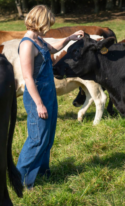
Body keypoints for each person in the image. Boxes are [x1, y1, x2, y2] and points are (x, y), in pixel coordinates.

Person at [16, 5, 84, 190]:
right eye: (47, 24)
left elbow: (53, 49)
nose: (48, 28)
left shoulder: (38, 39)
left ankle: (42, 174)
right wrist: (39, 104)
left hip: (49, 94)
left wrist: (69, 39)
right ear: (39, 21)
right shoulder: (27, 44)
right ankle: (19, 180)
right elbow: (28, 77)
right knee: (37, 138)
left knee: (48, 137)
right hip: (37, 96)